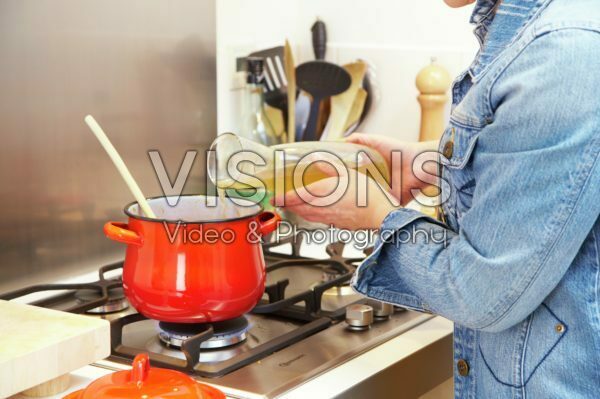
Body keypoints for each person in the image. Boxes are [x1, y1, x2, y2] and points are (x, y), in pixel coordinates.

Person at [276, 0, 600, 397]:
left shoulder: (562, 53)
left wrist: (380, 217)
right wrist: (438, 159)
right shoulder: (550, 29)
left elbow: (481, 292)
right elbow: (556, 164)